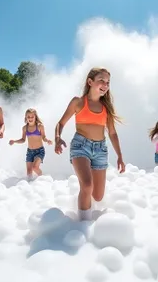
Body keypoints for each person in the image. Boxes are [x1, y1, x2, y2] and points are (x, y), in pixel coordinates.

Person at [54, 67, 125, 220]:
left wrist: (120, 156)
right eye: (101, 80)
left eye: (108, 82)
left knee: (98, 196)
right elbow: (60, 123)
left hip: (100, 150)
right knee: (87, 185)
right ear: (90, 82)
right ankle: (83, 225)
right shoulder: (78, 102)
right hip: (80, 146)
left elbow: (112, 133)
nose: (105, 85)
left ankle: (81, 200)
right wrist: (58, 138)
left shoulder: (106, 108)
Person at [9, 108, 52, 180]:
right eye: (28, 117)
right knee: (29, 173)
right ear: (26, 117)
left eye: (32, 117)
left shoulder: (39, 126)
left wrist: (47, 140)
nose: (30, 118)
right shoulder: (25, 128)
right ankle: (31, 186)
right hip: (29, 152)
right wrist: (14, 141)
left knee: (35, 167)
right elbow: (23, 140)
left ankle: (43, 179)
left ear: (35, 117)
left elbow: (44, 137)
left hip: (39, 151)